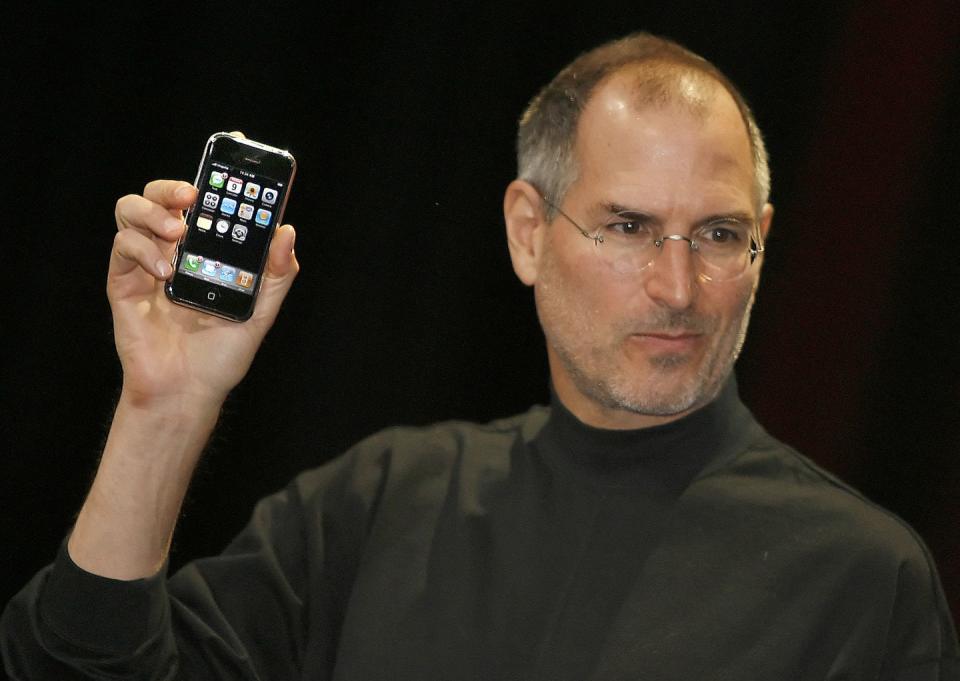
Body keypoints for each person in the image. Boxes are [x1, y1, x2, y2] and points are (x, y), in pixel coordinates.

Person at [2, 32, 958, 680]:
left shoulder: (863, 581)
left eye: (717, 235)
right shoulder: (379, 504)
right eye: (629, 226)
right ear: (527, 233)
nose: (678, 288)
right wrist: (161, 410)